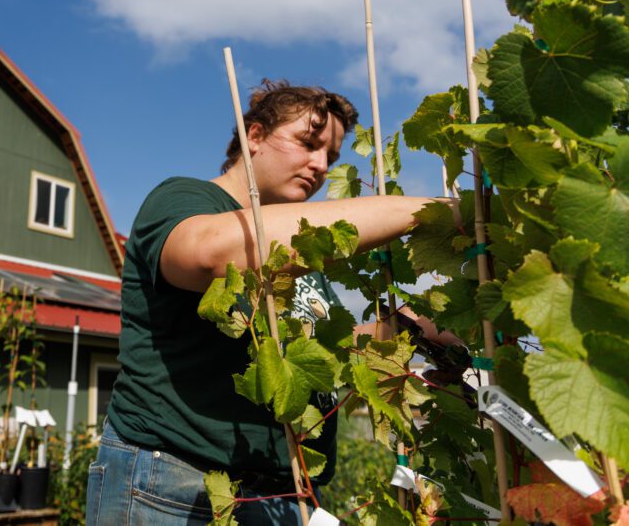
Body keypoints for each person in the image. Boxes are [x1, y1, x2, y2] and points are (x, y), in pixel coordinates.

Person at [86, 80, 457, 525]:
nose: (320, 165)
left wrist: (408, 327)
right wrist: (423, 212)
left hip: (286, 493)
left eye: (332, 158)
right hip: (177, 485)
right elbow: (210, 254)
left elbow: (316, 353)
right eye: (308, 143)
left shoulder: (297, 256)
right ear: (255, 137)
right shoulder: (186, 200)